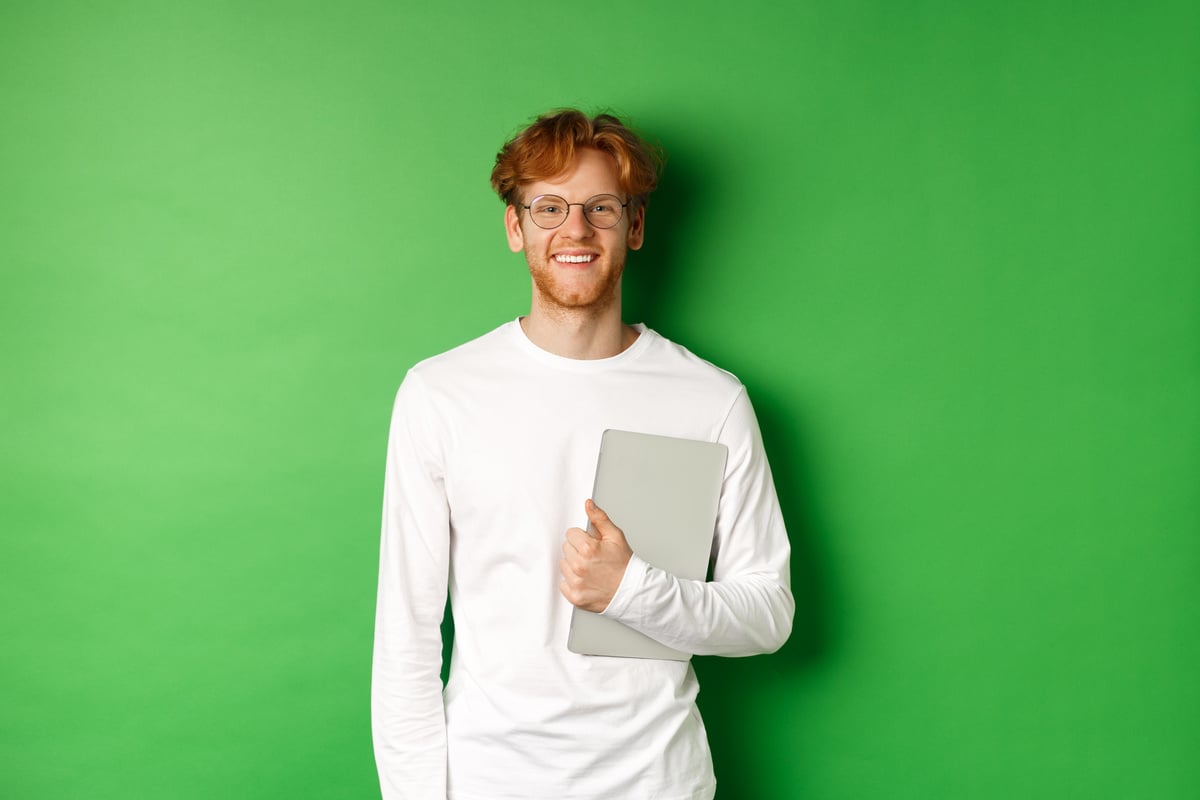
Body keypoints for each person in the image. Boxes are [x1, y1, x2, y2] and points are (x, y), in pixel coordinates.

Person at [371, 109, 794, 800]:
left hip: (658, 782)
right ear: (516, 228)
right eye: (549, 207)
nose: (575, 229)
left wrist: (633, 591)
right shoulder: (440, 394)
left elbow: (768, 613)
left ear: (634, 226)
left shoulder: (709, 400)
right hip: (490, 781)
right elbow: (406, 636)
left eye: (600, 207)